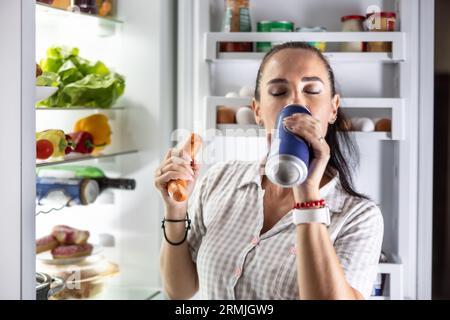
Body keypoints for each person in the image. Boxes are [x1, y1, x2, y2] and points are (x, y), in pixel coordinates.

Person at [154, 42, 383, 300]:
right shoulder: (219, 180)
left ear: (332, 108)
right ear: (258, 111)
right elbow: (179, 291)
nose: (295, 101)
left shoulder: (359, 217)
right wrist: (176, 208)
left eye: (312, 89)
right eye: (278, 91)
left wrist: (307, 195)